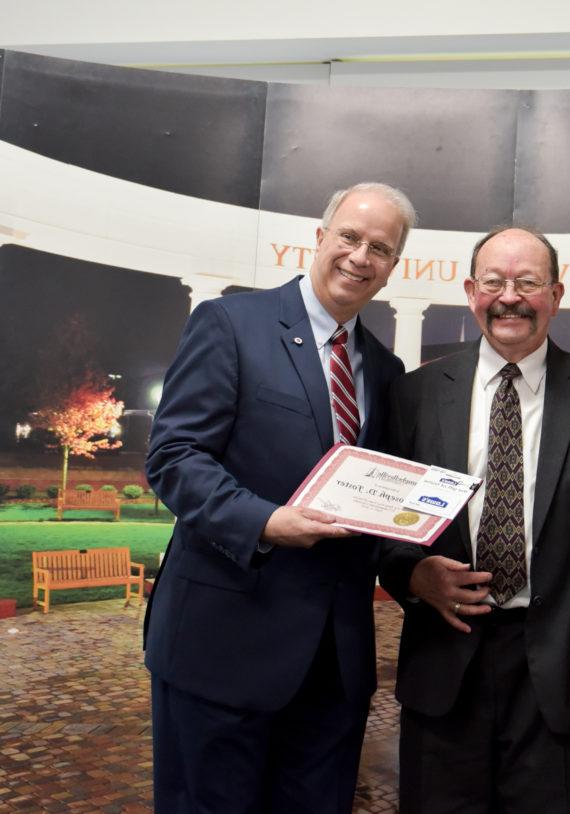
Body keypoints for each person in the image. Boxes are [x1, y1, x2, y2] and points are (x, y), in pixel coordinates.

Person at [143, 182, 415, 813]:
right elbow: (174, 457)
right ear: (319, 238)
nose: (360, 256)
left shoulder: (386, 369)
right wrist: (265, 522)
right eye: (349, 236)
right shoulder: (229, 323)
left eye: (380, 247)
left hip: (334, 669)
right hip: (222, 649)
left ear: (392, 267)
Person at [378, 226, 570, 813]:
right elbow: (387, 526)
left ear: (557, 293)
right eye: (493, 281)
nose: (509, 297)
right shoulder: (413, 395)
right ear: (471, 291)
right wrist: (412, 576)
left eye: (527, 282)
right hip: (445, 662)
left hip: (564, 672)